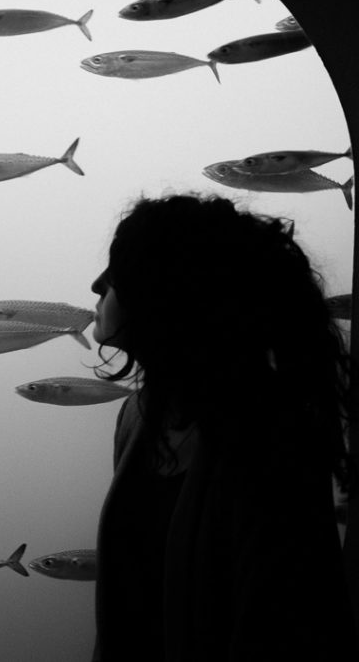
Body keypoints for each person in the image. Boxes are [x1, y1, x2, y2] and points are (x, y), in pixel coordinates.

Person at [89, 193, 356, 661]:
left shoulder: (270, 438)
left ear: (166, 292)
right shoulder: (138, 416)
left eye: (117, 274)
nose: (97, 285)